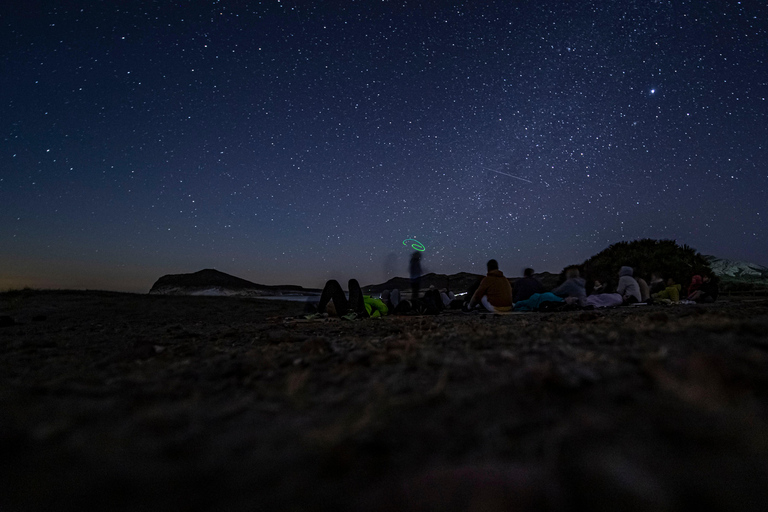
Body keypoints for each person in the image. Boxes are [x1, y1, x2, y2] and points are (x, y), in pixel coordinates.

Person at [318, 279, 388, 318]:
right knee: (332, 283)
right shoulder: (369, 298)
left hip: (360, 312)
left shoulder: (377, 301)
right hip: (347, 310)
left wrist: (381, 302)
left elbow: (384, 310)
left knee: (353, 281)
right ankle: (319, 311)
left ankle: (351, 312)